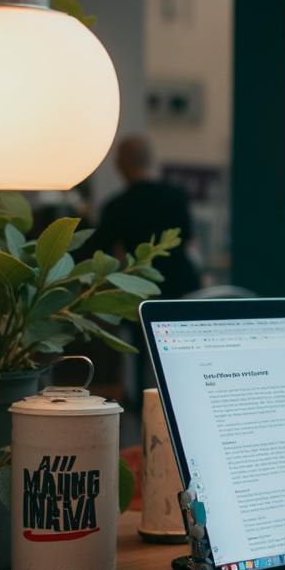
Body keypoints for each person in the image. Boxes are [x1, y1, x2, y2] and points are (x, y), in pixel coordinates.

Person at [88, 135, 201, 405]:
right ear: (153, 161)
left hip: (143, 290)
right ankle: (186, 402)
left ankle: (143, 407)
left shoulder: (116, 206)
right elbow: (187, 239)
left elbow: (99, 252)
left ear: (121, 165)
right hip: (184, 288)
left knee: (140, 354)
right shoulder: (177, 197)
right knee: (183, 359)